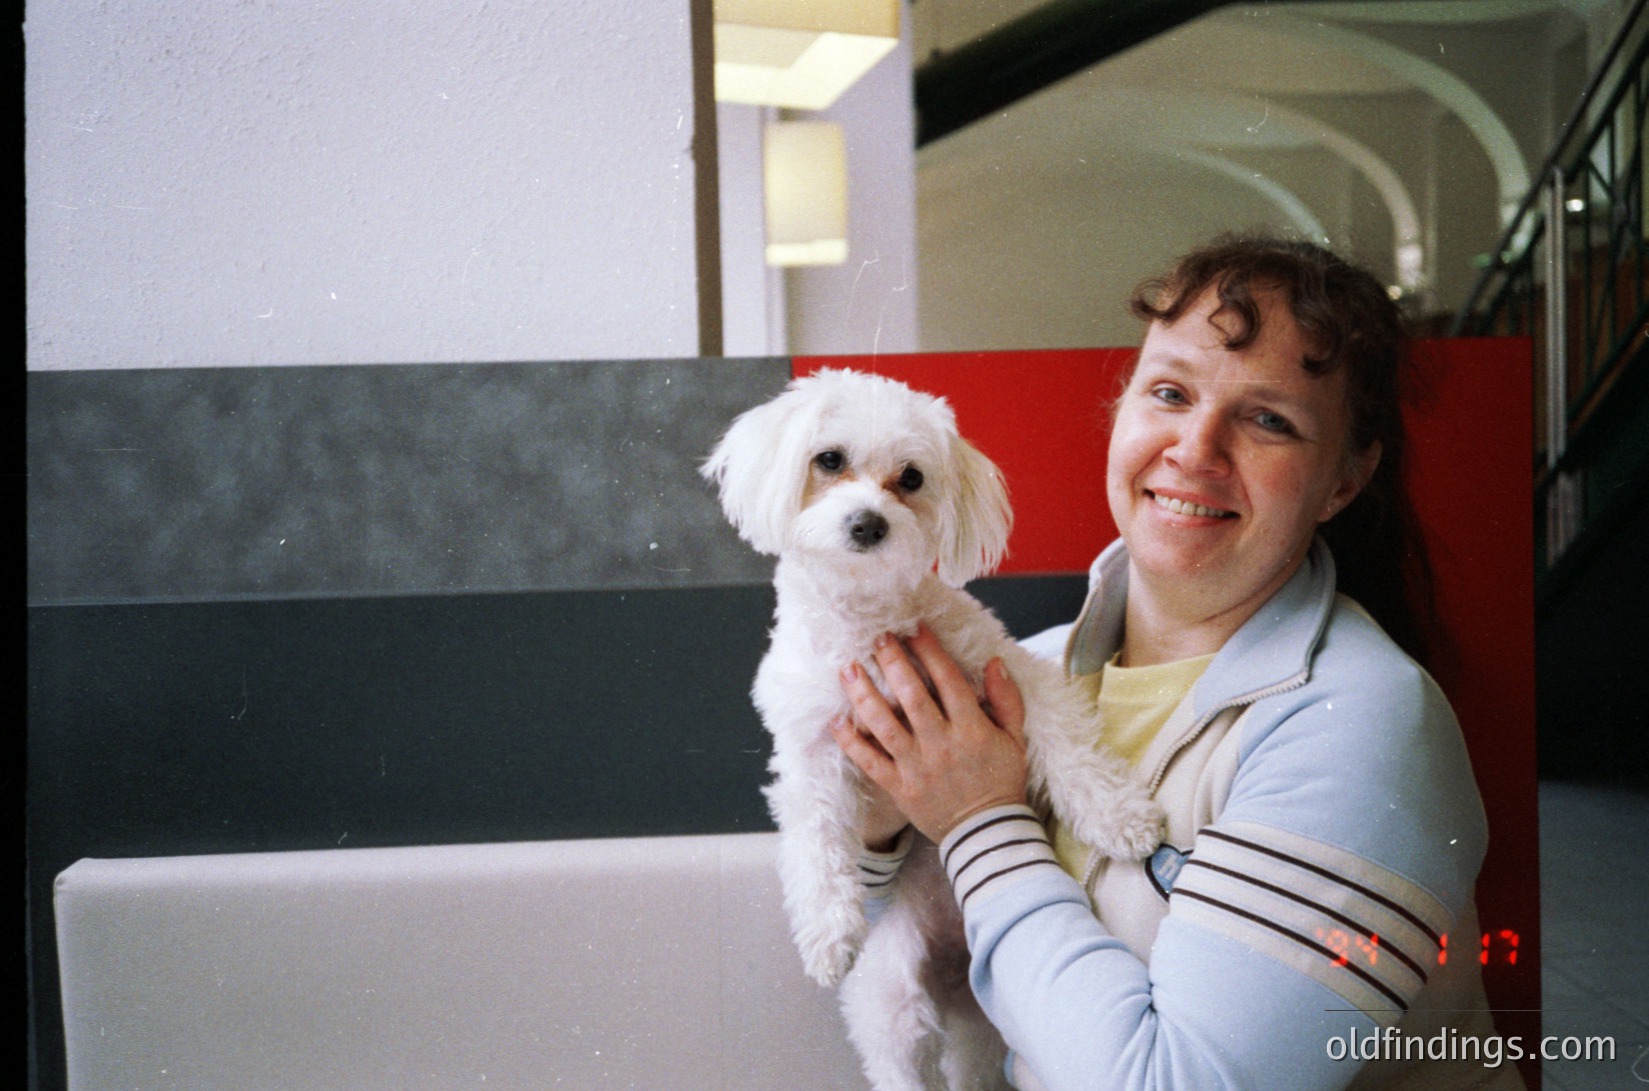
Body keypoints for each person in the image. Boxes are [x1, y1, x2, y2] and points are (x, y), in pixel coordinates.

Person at [830, 235, 1524, 1091]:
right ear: (1121, 410)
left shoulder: (1365, 722)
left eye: (1268, 418)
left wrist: (978, 819)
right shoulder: (1032, 672)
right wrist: (876, 831)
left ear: (1344, 480)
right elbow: (884, 938)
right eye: (1168, 392)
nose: (1196, 447)